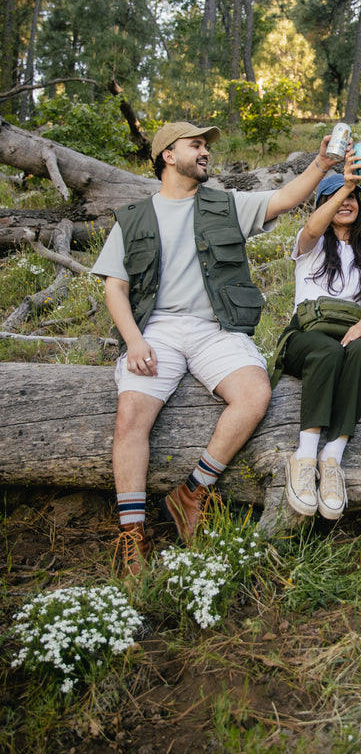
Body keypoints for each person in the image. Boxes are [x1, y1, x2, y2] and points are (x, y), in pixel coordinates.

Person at [92, 120, 340, 578]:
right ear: (168, 155)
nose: (205, 152)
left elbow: (283, 200)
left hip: (215, 328)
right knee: (130, 416)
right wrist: (134, 340)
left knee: (254, 393)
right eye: (196, 145)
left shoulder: (223, 204)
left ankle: (192, 491)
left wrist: (322, 163)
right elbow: (115, 287)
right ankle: (132, 533)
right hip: (157, 330)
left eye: (207, 146)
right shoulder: (134, 217)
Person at [277, 154, 361, 520]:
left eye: (353, 197)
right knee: (327, 352)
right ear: (325, 204)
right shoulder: (311, 245)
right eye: (336, 196)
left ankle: (331, 458)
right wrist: (347, 185)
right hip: (305, 338)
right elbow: (310, 228)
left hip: (347, 333)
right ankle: (304, 457)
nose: (347, 201)